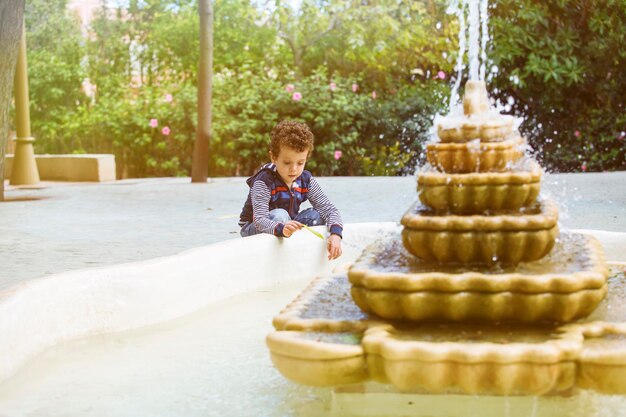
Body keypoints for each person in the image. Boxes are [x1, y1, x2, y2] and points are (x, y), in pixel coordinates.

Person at [239, 120, 343, 260]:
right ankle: (278, 257)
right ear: (274, 157)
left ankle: (294, 249)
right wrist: (281, 228)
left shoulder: (305, 180)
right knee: (280, 215)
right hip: (255, 226)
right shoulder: (264, 181)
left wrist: (335, 235)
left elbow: (330, 210)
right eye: (287, 162)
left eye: (300, 163)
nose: (294, 169)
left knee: (317, 215)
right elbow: (259, 220)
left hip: (287, 223)